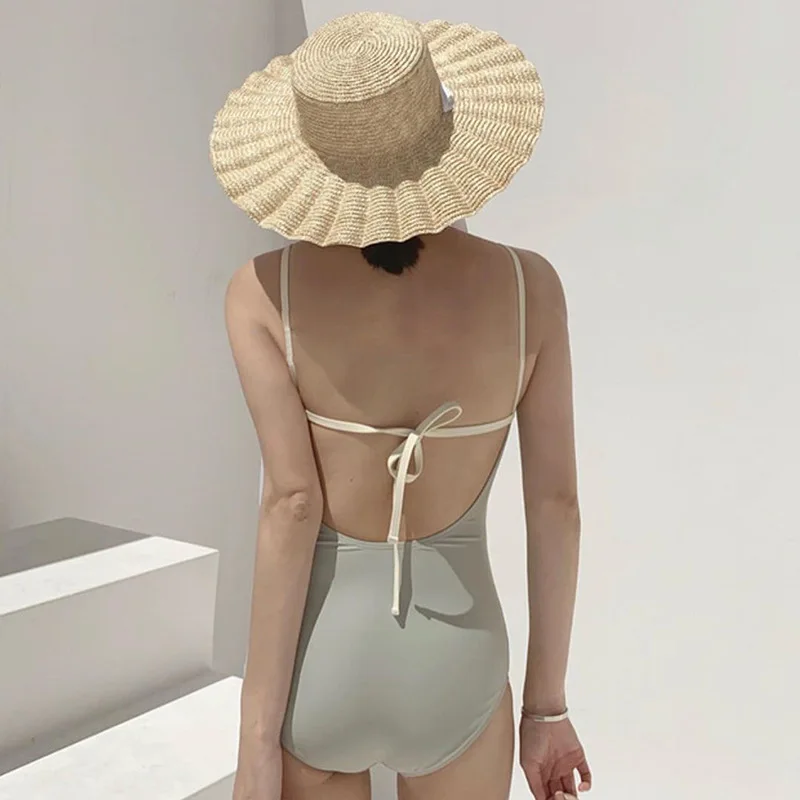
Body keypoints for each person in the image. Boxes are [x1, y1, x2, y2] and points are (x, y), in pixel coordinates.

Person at [211, 11, 592, 800]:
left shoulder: (263, 293)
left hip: (322, 664)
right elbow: (556, 507)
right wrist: (546, 710)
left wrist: (256, 746)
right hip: (458, 661)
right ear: (446, 136)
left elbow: (291, 505)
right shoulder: (530, 289)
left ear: (316, 156)